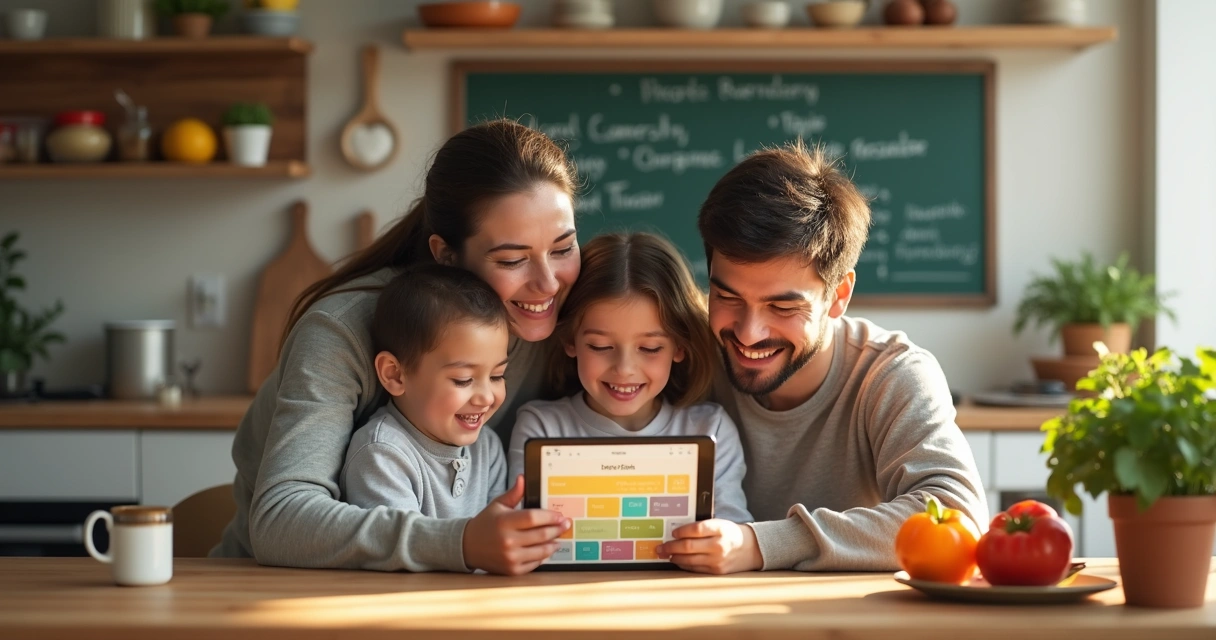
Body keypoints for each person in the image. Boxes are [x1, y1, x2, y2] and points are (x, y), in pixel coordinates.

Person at [212, 120, 582, 575]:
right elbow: (281, 520)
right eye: (512, 259)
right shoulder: (341, 330)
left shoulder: (571, 316)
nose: (548, 282)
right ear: (446, 255)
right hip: (270, 590)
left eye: (563, 248)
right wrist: (461, 543)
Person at [656, 141, 988, 574]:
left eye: (782, 307)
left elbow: (956, 514)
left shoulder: (890, 374)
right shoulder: (681, 353)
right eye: (727, 295)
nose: (748, 332)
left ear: (839, 295)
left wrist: (761, 544)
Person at [339, 264, 570, 574]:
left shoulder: (486, 446)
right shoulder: (381, 455)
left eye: (498, 375)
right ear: (394, 374)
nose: (486, 397)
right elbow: (397, 563)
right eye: (463, 380)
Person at [508, 232, 751, 524]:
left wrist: (721, 542)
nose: (624, 369)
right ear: (570, 341)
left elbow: (735, 534)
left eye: (649, 348)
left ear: (679, 346)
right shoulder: (542, 428)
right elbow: (523, 531)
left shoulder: (710, 430)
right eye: (600, 347)